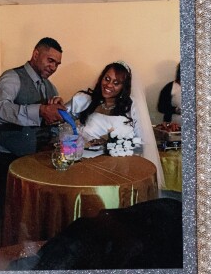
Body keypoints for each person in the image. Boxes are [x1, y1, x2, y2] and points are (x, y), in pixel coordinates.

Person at [0, 37, 66, 244]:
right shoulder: (13, 77)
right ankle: (8, 255)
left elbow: (51, 121)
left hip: (36, 156)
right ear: (35, 54)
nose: (53, 67)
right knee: (11, 211)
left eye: (57, 64)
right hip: (8, 156)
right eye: (50, 60)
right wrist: (39, 110)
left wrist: (58, 111)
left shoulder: (51, 87)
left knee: (34, 210)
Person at [66, 61, 164, 189]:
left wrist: (113, 143)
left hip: (119, 169)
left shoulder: (132, 106)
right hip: (85, 166)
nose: (109, 85)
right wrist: (56, 103)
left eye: (116, 83)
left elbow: (142, 143)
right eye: (107, 79)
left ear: (124, 86)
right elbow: (60, 115)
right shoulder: (86, 100)